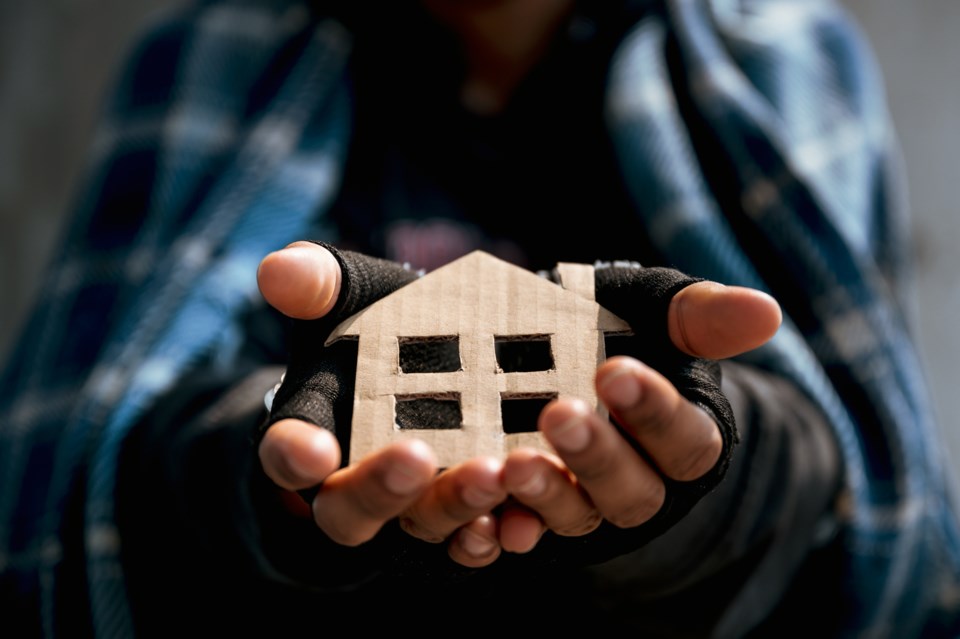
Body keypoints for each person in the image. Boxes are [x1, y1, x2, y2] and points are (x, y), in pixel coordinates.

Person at [1, 0, 958, 637]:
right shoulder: (209, 59)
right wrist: (281, 471)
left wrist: (707, 462)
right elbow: (90, 462)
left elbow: (859, 470)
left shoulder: (789, 61)